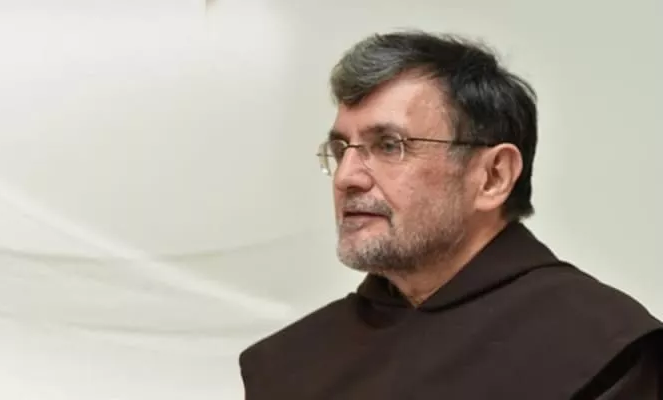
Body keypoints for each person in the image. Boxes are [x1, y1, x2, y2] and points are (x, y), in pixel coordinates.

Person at [238, 31, 663, 399]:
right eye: (340, 149)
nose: (346, 177)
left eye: (389, 145)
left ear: (493, 177)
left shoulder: (603, 349)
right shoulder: (289, 363)